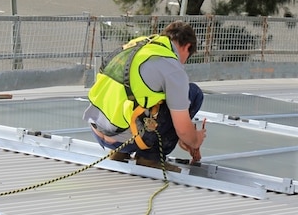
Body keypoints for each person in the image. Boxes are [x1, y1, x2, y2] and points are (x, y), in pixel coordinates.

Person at [83, 20, 206, 173]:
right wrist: (194, 140)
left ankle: (120, 153)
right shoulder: (171, 67)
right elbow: (183, 130)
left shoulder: (138, 45)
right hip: (125, 139)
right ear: (187, 47)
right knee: (193, 93)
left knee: (138, 98)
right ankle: (150, 157)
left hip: (98, 131)